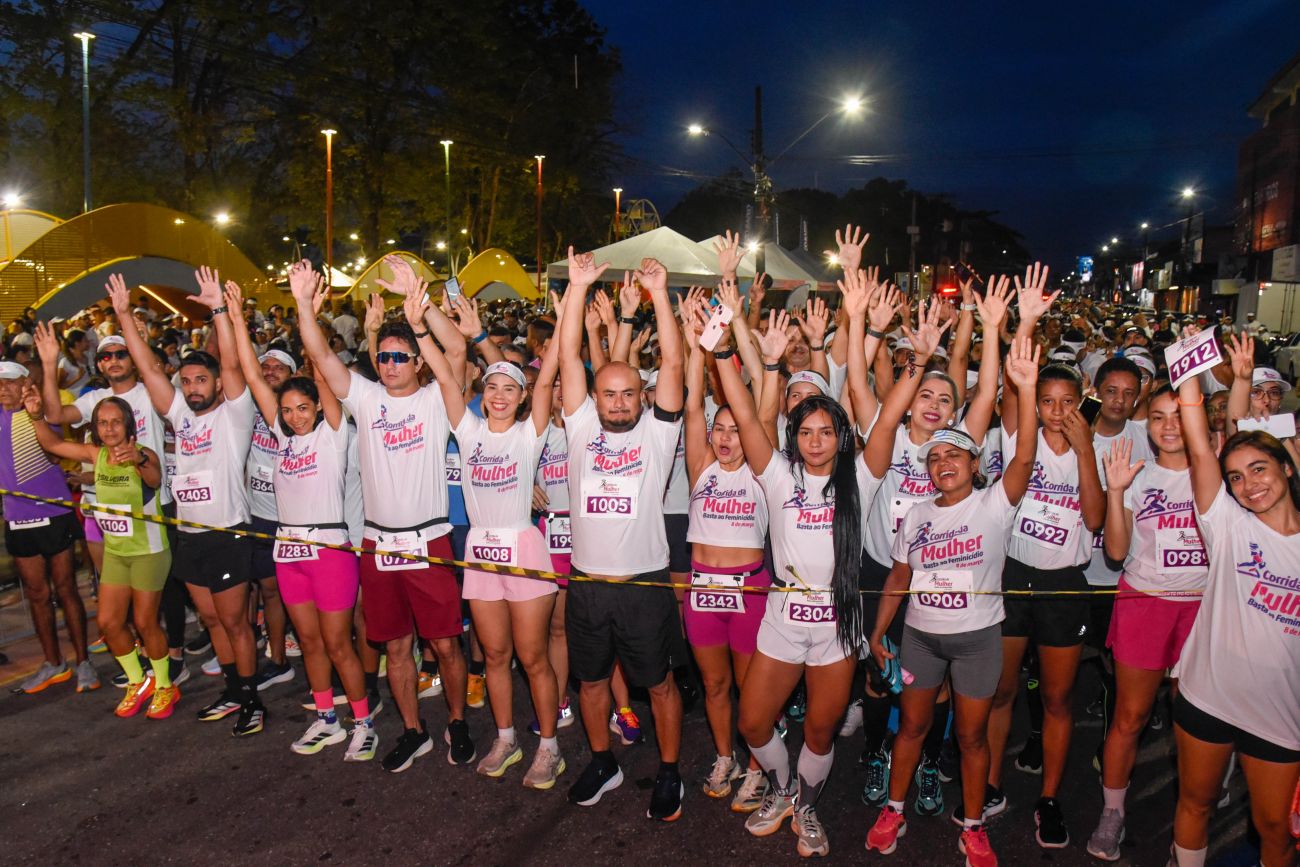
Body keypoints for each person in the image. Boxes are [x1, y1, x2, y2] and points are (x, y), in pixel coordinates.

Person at [718, 273, 911, 858]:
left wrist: (915, 360)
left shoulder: (861, 479)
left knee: (821, 730)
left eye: (827, 431)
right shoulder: (778, 476)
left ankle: (804, 805)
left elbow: (888, 416)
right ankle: (782, 789)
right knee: (754, 722)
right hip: (782, 616)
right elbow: (745, 416)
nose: (816, 439)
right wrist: (728, 352)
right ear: (794, 436)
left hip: (837, 623)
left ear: (841, 435)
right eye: (806, 431)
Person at [293, 256, 474, 773]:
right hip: (379, 543)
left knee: (445, 645)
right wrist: (303, 303)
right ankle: (413, 731)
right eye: (385, 356)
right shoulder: (367, 398)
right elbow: (319, 354)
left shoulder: (437, 399)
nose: (391, 363)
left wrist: (422, 304)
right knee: (396, 647)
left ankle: (457, 721)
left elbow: (457, 350)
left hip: (429, 539)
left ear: (417, 362)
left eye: (400, 357)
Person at [865, 335, 1040, 867]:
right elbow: (899, 575)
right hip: (920, 638)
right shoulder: (917, 514)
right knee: (912, 727)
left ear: (974, 462)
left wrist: (1025, 390)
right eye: (935, 457)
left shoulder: (995, 504)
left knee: (970, 737)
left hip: (978, 640)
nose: (943, 462)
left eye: (954, 454)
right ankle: (894, 810)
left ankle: (973, 827)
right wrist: (879, 631)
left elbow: (1025, 456)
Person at [402, 284, 566, 789]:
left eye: (509, 389)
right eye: (491, 386)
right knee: (494, 656)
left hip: (524, 550)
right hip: (480, 554)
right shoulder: (468, 430)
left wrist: (566, 318)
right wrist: (419, 326)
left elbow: (548, 377)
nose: (498, 395)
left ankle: (549, 747)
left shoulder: (529, 434)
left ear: (522, 399)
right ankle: (505, 738)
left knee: (532, 657)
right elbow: (446, 379)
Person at [856, 269, 1007, 817]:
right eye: (925, 394)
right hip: (884, 571)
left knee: (934, 685)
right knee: (880, 672)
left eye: (946, 399)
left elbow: (985, 391)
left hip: (940, 582)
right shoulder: (888, 433)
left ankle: (923, 761)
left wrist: (989, 328)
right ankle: (877, 752)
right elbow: (859, 384)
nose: (935, 404)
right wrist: (882, 336)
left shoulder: (958, 445)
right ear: (909, 396)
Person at [556, 249, 688, 821]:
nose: (617, 402)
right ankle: (603, 762)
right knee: (590, 684)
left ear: (642, 396)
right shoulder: (580, 425)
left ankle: (669, 770)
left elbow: (675, 364)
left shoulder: (658, 435)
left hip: (644, 585)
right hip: (587, 584)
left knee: (658, 685)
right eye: (608, 393)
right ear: (594, 398)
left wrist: (660, 294)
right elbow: (567, 356)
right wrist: (577, 288)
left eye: (628, 393)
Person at [224, 271, 376, 761]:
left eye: (302, 407)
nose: (293, 416)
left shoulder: (333, 434)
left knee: (338, 644)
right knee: (309, 642)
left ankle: (363, 722)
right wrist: (235, 319)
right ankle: (327, 719)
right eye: (287, 410)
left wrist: (307, 307)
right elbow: (253, 377)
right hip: (288, 551)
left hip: (330, 551)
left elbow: (324, 371)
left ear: (316, 406)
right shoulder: (282, 437)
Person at [108, 269, 263, 735]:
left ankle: (252, 699)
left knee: (235, 623)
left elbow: (232, 366)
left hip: (227, 535)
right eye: (188, 380)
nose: (193, 387)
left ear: (216, 385)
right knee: (212, 620)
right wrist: (123, 316)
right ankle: (232, 690)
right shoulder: (180, 415)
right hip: (190, 535)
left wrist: (219, 311)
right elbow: (150, 370)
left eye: (201, 380)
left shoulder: (235, 415)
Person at [1169, 329, 1300, 867]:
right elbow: (1201, 445)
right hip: (1208, 694)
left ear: (1287, 468)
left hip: (1281, 711)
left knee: (1275, 829)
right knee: (1195, 803)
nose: (1249, 486)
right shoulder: (1226, 524)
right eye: (1236, 478)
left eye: (1260, 470)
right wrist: (1189, 371)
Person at [984, 266, 1102, 849]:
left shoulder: (1090, 447)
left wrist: (1084, 452)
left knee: (1057, 698)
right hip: (1013, 576)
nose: (1055, 410)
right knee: (1002, 691)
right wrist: (1025, 323)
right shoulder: (1019, 437)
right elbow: (1016, 385)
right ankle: (989, 783)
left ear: (1082, 403)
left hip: (1064, 584)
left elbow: (1096, 520)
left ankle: (1050, 798)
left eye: (1066, 402)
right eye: (1047, 401)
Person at [1084, 384, 1208, 861]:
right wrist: (1115, 491)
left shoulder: (1215, 472)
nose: (1169, 426)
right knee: (1130, 716)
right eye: (1158, 417)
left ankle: (1196, 812)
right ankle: (1112, 812)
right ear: (1147, 424)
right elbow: (1115, 552)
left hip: (1203, 607)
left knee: (1195, 717)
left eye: (1178, 415)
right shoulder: (1137, 475)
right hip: (1145, 603)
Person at [34, 325, 188, 686]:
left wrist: (131, 329)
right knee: (128, 598)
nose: (114, 360)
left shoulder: (149, 391)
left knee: (168, 590)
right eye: (106, 356)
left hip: (157, 501)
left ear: (132, 359)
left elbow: (154, 371)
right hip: (115, 508)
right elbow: (54, 417)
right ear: (99, 363)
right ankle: (145, 663)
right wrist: (49, 362)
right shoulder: (96, 400)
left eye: (121, 354)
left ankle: (174, 659)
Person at [22, 388, 177, 718]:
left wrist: (139, 459)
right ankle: (138, 681)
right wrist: (36, 417)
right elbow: (52, 444)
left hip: (148, 552)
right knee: (108, 622)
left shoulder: (142, 454)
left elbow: (154, 478)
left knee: (145, 621)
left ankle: (165, 685)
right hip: (116, 553)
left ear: (128, 425)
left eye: (116, 422)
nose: (109, 428)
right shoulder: (97, 454)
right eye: (102, 423)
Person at [679, 282, 772, 812]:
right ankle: (724, 756)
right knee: (714, 686)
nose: (725, 438)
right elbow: (693, 404)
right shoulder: (701, 467)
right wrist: (699, 343)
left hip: (749, 590)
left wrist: (733, 329)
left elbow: (758, 404)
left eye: (736, 430)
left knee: (749, 686)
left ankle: (758, 767)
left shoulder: (761, 469)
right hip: (701, 591)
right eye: (720, 429)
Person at [0, 361, 96, 693]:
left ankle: (83, 662)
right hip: (17, 517)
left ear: (24, 384)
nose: (3, 389)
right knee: (38, 594)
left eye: (10, 382)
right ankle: (54, 663)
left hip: (54, 513)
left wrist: (36, 412)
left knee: (66, 588)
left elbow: (54, 456)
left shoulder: (38, 412)